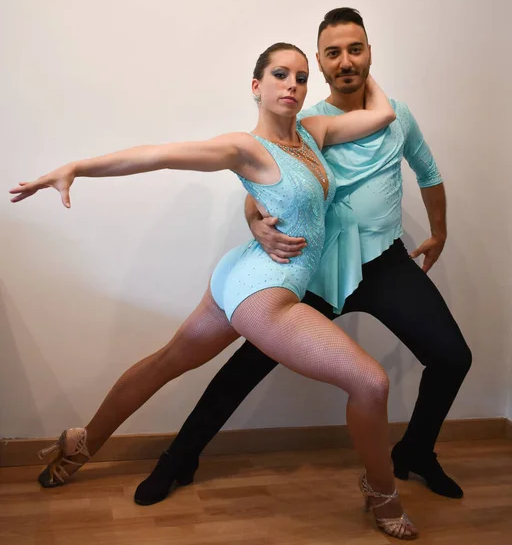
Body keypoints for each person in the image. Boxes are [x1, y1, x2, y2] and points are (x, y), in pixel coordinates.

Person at [10, 43, 417, 539]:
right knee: (371, 383)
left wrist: (361, 68)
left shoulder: (315, 132)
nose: (292, 84)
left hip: (241, 274)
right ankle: (383, 492)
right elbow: (159, 156)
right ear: (257, 87)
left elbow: (383, 113)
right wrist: (78, 167)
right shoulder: (245, 148)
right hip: (263, 291)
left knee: (166, 361)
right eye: (280, 74)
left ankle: (80, 445)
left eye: (302, 77)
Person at [135, 8, 472, 509]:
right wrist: (256, 225)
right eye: (332, 53)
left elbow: (428, 172)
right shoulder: (307, 123)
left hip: (385, 263)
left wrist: (439, 231)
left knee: (452, 357)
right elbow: (261, 185)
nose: (345, 61)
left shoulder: (397, 115)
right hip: (317, 267)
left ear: (369, 52)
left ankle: (416, 452)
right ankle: (179, 458)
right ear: (320, 61)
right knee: (246, 365)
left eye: (354, 49)